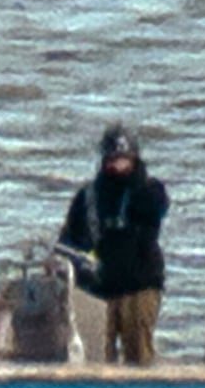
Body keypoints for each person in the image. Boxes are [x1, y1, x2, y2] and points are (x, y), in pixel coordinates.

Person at [61, 125, 171, 364]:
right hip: (100, 289)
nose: (117, 165)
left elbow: (157, 208)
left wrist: (132, 181)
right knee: (97, 356)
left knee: (139, 355)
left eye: (123, 158)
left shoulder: (150, 190)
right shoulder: (89, 196)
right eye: (112, 158)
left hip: (140, 285)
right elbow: (69, 240)